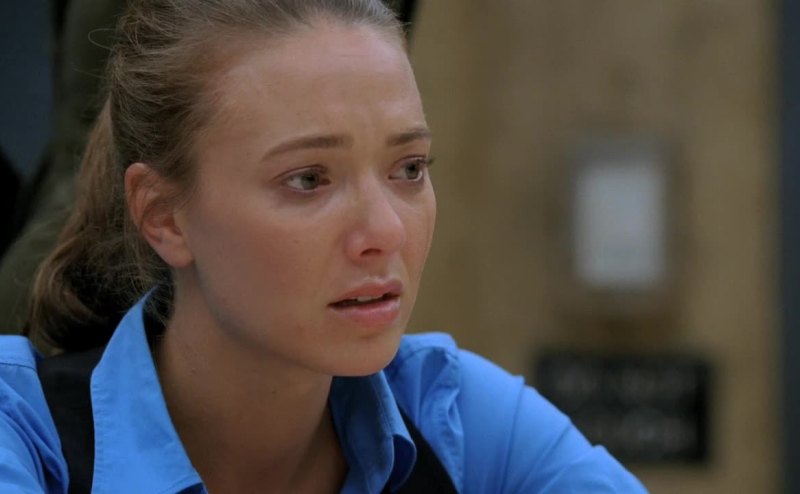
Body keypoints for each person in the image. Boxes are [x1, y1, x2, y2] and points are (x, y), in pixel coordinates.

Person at [0, 0, 648, 492]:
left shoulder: (457, 417)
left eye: (409, 169)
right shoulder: (23, 430)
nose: (386, 232)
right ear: (163, 215)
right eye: (309, 179)